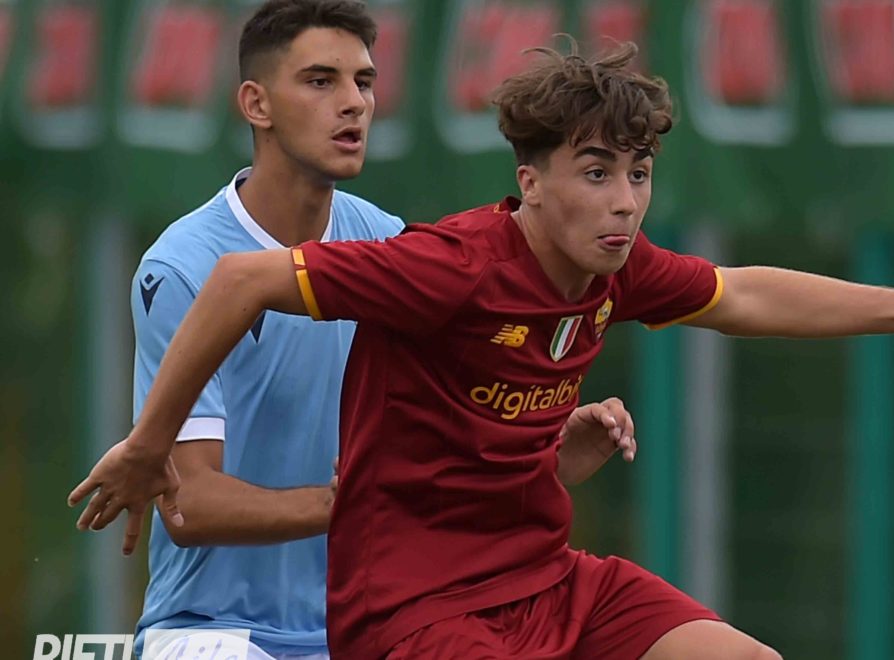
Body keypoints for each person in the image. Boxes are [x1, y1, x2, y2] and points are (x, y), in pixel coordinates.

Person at [71, 41, 894, 658]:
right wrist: (150, 445)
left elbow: (743, 294)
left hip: (548, 582)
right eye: (595, 172)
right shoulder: (450, 267)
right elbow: (240, 280)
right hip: (414, 615)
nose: (624, 201)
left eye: (638, 172)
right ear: (531, 182)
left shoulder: (615, 269)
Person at [115, 4, 637, 658]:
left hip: (375, 623)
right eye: (320, 81)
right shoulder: (182, 267)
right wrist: (358, 503)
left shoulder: (389, 244)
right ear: (256, 103)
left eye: (363, 82)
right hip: (210, 630)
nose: (353, 103)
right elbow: (188, 503)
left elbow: (454, 468)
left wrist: (549, 458)